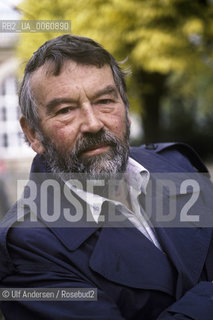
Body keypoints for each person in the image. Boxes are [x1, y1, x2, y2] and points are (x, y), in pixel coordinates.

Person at [0, 34, 213, 320]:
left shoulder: (176, 164)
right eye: (65, 110)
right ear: (33, 134)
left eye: (104, 101)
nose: (93, 123)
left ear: (125, 106)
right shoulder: (25, 246)